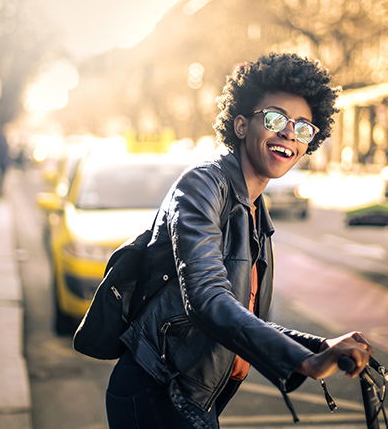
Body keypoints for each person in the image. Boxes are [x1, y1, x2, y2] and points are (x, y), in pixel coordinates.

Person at [104, 53, 373, 428]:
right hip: (158, 390)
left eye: (304, 128)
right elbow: (207, 299)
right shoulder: (202, 187)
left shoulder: (255, 211)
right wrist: (302, 362)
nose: (289, 134)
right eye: (276, 119)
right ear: (242, 125)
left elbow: (240, 317)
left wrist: (316, 347)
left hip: (191, 394)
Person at [0, 127, 11, 196]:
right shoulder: (2, 140)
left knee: (1, 177)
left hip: (2, 162)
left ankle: (0, 191)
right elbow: (1, 151)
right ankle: (0, 191)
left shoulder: (1, 139)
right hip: (2, 162)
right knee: (0, 177)